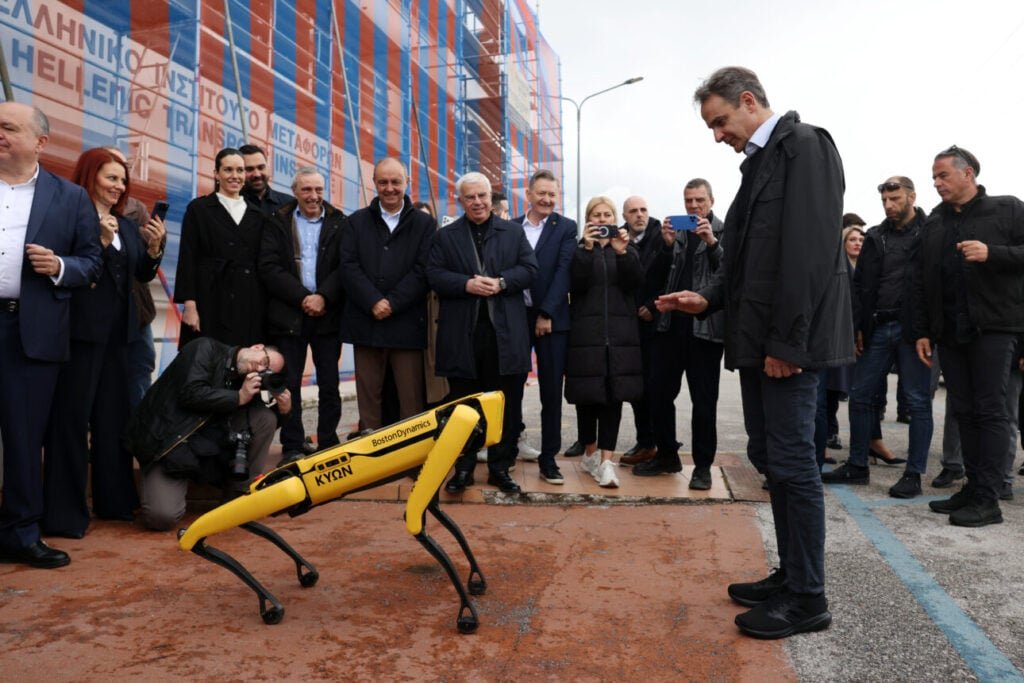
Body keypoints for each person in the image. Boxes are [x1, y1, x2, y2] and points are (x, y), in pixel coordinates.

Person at [660, 67, 851, 638]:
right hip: (759, 342)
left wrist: (788, 343)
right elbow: (743, 259)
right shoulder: (759, 166)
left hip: (786, 345)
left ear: (748, 101)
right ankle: (791, 575)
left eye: (720, 121)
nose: (717, 135)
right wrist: (707, 299)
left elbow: (810, 255)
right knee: (775, 462)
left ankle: (809, 598)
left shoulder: (805, 147)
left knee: (794, 467)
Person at [41, 147, 165, 538]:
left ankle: (115, 503)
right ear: (90, 175)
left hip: (120, 338)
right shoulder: (68, 217)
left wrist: (154, 250)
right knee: (72, 422)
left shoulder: (125, 224)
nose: (119, 186)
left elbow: (137, 273)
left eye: (123, 180)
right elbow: (67, 269)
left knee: (114, 421)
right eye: (111, 178)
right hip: (79, 336)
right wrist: (96, 238)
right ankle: (65, 515)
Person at [0, 102, 102, 569]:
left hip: (31, 329)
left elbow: (91, 262)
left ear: (40, 141)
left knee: (24, 436)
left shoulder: (69, 198)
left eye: (7, 127)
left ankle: (22, 533)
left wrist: (60, 266)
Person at [914, 145, 1024, 527]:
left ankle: (989, 499)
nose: (937, 183)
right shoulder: (935, 223)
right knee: (964, 412)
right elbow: (923, 281)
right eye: (934, 177)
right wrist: (923, 331)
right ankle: (973, 488)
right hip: (950, 332)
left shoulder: (1008, 209)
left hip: (995, 328)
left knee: (992, 412)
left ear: (969, 173)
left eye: (943, 175)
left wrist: (993, 253)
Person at [428, 172, 538, 495]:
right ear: (460, 200)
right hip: (463, 337)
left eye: (482, 196)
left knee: (505, 405)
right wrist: (466, 284)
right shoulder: (445, 236)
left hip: (505, 336)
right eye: (470, 197)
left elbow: (531, 270)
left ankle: (500, 468)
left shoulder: (514, 233)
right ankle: (462, 469)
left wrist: (502, 282)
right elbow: (433, 275)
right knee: (463, 407)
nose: (477, 202)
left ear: (492, 198)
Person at [823, 177, 932, 498]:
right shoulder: (875, 237)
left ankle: (914, 473)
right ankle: (858, 465)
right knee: (860, 396)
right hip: (876, 328)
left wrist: (928, 330)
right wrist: (858, 327)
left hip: (914, 331)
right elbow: (860, 287)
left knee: (916, 401)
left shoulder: (930, 232)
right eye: (885, 200)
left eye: (895, 198)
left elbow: (935, 285)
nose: (889, 205)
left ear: (911, 196)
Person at [126, 339, 292, 530]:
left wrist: (284, 411)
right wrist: (238, 397)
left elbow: (257, 425)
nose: (261, 369)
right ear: (256, 347)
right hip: (169, 443)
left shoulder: (249, 380)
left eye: (267, 371)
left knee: (265, 417)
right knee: (161, 517)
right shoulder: (204, 348)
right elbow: (190, 393)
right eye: (264, 361)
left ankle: (239, 495)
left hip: (207, 447)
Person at [634, 179, 725, 491]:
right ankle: (667, 455)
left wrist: (712, 242)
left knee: (704, 402)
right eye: (689, 201)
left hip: (705, 329)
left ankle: (702, 467)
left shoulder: (723, 232)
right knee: (657, 394)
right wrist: (667, 245)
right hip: (670, 327)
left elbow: (726, 275)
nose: (694, 206)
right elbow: (654, 278)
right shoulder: (676, 234)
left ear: (711, 201)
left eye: (700, 200)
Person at [340, 158, 434, 430]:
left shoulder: (425, 224)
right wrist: (373, 301)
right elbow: (348, 266)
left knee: (411, 400)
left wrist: (392, 303)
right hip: (366, 322)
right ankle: (373, 460)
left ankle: (412, 457)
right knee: (369, 400)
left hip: (406, 323)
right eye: (383, 182)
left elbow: (423, 269)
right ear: (374, 184)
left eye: (396, 181)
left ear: (408, 183)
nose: (390, 188)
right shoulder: (355, 222)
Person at [259, 166, 345, 462]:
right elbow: (269, 267)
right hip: (288, 315)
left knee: (330, 384)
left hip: (328, 315)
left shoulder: (339, 222)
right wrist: (304, 298)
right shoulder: (277, 221)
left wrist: (323, 297)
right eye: (307, 190)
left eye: (319, 189)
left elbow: (345, 266)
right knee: (289, 383)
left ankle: (329, 444)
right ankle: (293, 445)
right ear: (295, 192)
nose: (313, 196)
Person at [566, 197, 644, 489]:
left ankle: (607, 461)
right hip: (586, 335)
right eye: (596, 215)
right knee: (587, 397)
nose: (602, 219)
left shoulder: (627, 249)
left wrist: (623, 253)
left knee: (614, 397)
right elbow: (576, 284)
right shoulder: (579, 251)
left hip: (620, 337)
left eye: (607, 214)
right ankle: (590, 452)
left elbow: (636, 282)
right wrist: (587, 249)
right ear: (588, 220)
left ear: (614, 219)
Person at [512, 169, 577, 484]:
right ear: (529, 194)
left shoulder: (566, 228)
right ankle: (507, 450)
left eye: (553, 194)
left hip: (553, 320)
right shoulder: (510, 228)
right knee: (509, 387)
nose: (548, 199)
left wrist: (547, 312)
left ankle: (549, 459)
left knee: (551, 392)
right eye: (542, 193)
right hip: (515, 319)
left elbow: (564, 271)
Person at [175, 147, 268, 349]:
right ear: (216, 173)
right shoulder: (198, 209)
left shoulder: (258, 215)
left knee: (244, 364)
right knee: (206, 362)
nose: (235, 176)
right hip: (209, 298)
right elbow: (188, 258)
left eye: (240, 170)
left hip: (248, 300)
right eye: (228, 170)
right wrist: (189, 306)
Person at [106, 146, 162, 408]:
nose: (118, 179)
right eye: (112, 169)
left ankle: (139, 428)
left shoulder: (135, 209)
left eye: (123, 170)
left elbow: (143, 265)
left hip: (136, 308)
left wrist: (154, 244)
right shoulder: (78, 205)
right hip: (99, 310)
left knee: (141, 365)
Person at [613, 195, 663, 466]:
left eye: (643, 209)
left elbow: (670, 274)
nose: (639, 215)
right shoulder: (619, 238)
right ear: (625, 215)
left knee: (656, 389)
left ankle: (658, 445)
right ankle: (646, 442)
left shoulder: (661, 235)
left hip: (656, 327)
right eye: (633, 211)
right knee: (635, 389)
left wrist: (652, 306)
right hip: (627, 326)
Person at [239, 143, 291, 216]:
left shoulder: (288, 203)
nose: (257, 174)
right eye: (249, 169)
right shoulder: (230, 204)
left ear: (268, 168)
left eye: (261, 167)